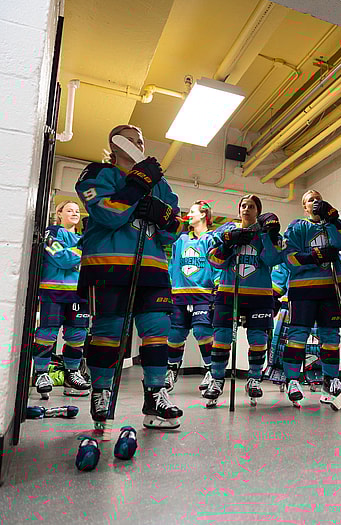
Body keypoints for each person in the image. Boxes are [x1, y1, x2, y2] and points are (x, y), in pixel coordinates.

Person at [76, 124, 184, 429]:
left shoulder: (161, 185)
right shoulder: (96, 173)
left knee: (157, 330)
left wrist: (160, 215)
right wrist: (137, 186)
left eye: (140, 139)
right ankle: (102, 392)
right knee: (108, 332)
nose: (137, 143)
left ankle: (155, 395)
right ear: (114, 144)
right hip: (107, 267)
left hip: (152, 269)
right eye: (129, 138)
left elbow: (174, 230)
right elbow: (109, 215)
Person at [203, 195, 282, 407]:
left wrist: (267, 236)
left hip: (260, 295)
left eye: (252, 206)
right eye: (243, 206)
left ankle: (254, 379)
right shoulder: (226, 231)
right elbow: (214, 261)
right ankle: (217, 380)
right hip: (229, 293)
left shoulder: (268, 233)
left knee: (258, 340)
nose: (246, 209)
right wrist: (228, 244)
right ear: (239, 210)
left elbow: (274, 260)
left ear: (258, 211)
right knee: (222, 338)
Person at [281, 190, 341, 405]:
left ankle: (330, 379)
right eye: (310, 199)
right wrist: (317, 255)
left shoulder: (333, 224)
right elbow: (289, 258)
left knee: (331, 337)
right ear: (304, 207)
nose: (315, 201)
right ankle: (293, 379)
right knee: (297, 336)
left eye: (318, 198)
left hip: (330, 290)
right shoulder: (297, 226)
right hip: (303, 290)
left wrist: (332, 218)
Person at [32, 200, 90, 399]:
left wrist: (76, 251)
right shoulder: (52, 232)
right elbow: (62, 258)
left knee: (77, 335)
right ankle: (41, 374)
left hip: (78, 293)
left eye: (76, 210)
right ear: (59, 213)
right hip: (53, 291)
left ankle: (72, 374)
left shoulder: (83, 237)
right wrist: (82, 251)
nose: (74, 213)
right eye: (69, 210)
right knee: (47, 332)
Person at [165, 200, 220, 392]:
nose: (189, 215)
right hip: (179, 295)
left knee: (202, 333)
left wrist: (218, 286)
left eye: (193, 211)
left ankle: (211, 371)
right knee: (175, 334)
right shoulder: (180, 240)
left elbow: (218, 264)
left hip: (203, 294)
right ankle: (171, 371)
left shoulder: (211, 239)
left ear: (204, 214)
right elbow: (173, 265)